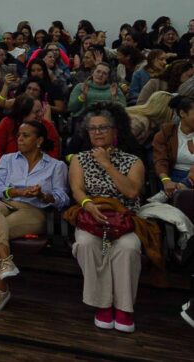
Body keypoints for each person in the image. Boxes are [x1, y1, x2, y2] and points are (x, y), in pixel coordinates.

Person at [68, 109, 146, 333]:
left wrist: (107, 164)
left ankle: (124, 307)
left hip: (124, 220)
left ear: (114, 131)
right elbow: (77, 189)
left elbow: (131, 192)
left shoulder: (133, 161)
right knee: (86, 244)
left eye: (103, 127)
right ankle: (103, 304)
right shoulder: (79, 159)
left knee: (128, 248)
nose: (97, 132)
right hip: (92, 218)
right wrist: (87, 205)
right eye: (93, 128)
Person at [0, 120, 69, 312]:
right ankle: (6, 266)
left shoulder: (56, 166)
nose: (19, 139)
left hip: (35, 211)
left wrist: (43, 195)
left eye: (25, 135)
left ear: (39, 141)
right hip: (7, 204)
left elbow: (63, 198)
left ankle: (1, 286)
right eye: (18, 135)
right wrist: (19, 192)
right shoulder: (8, 159)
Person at [0, 94, 60, 165]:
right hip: (9, 170)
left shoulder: (47, 126)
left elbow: (54, 153)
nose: (40, 114)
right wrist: (4, 169)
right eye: (36, 112)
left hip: (41, 170)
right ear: (23, 113)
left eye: (41, 111)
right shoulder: (6, 124)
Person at [152, 95, 194, 196]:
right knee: (174, 191)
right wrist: (166, 180)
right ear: (182, 113)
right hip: (173, 175)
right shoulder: (166, 133)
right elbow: (160, 159)